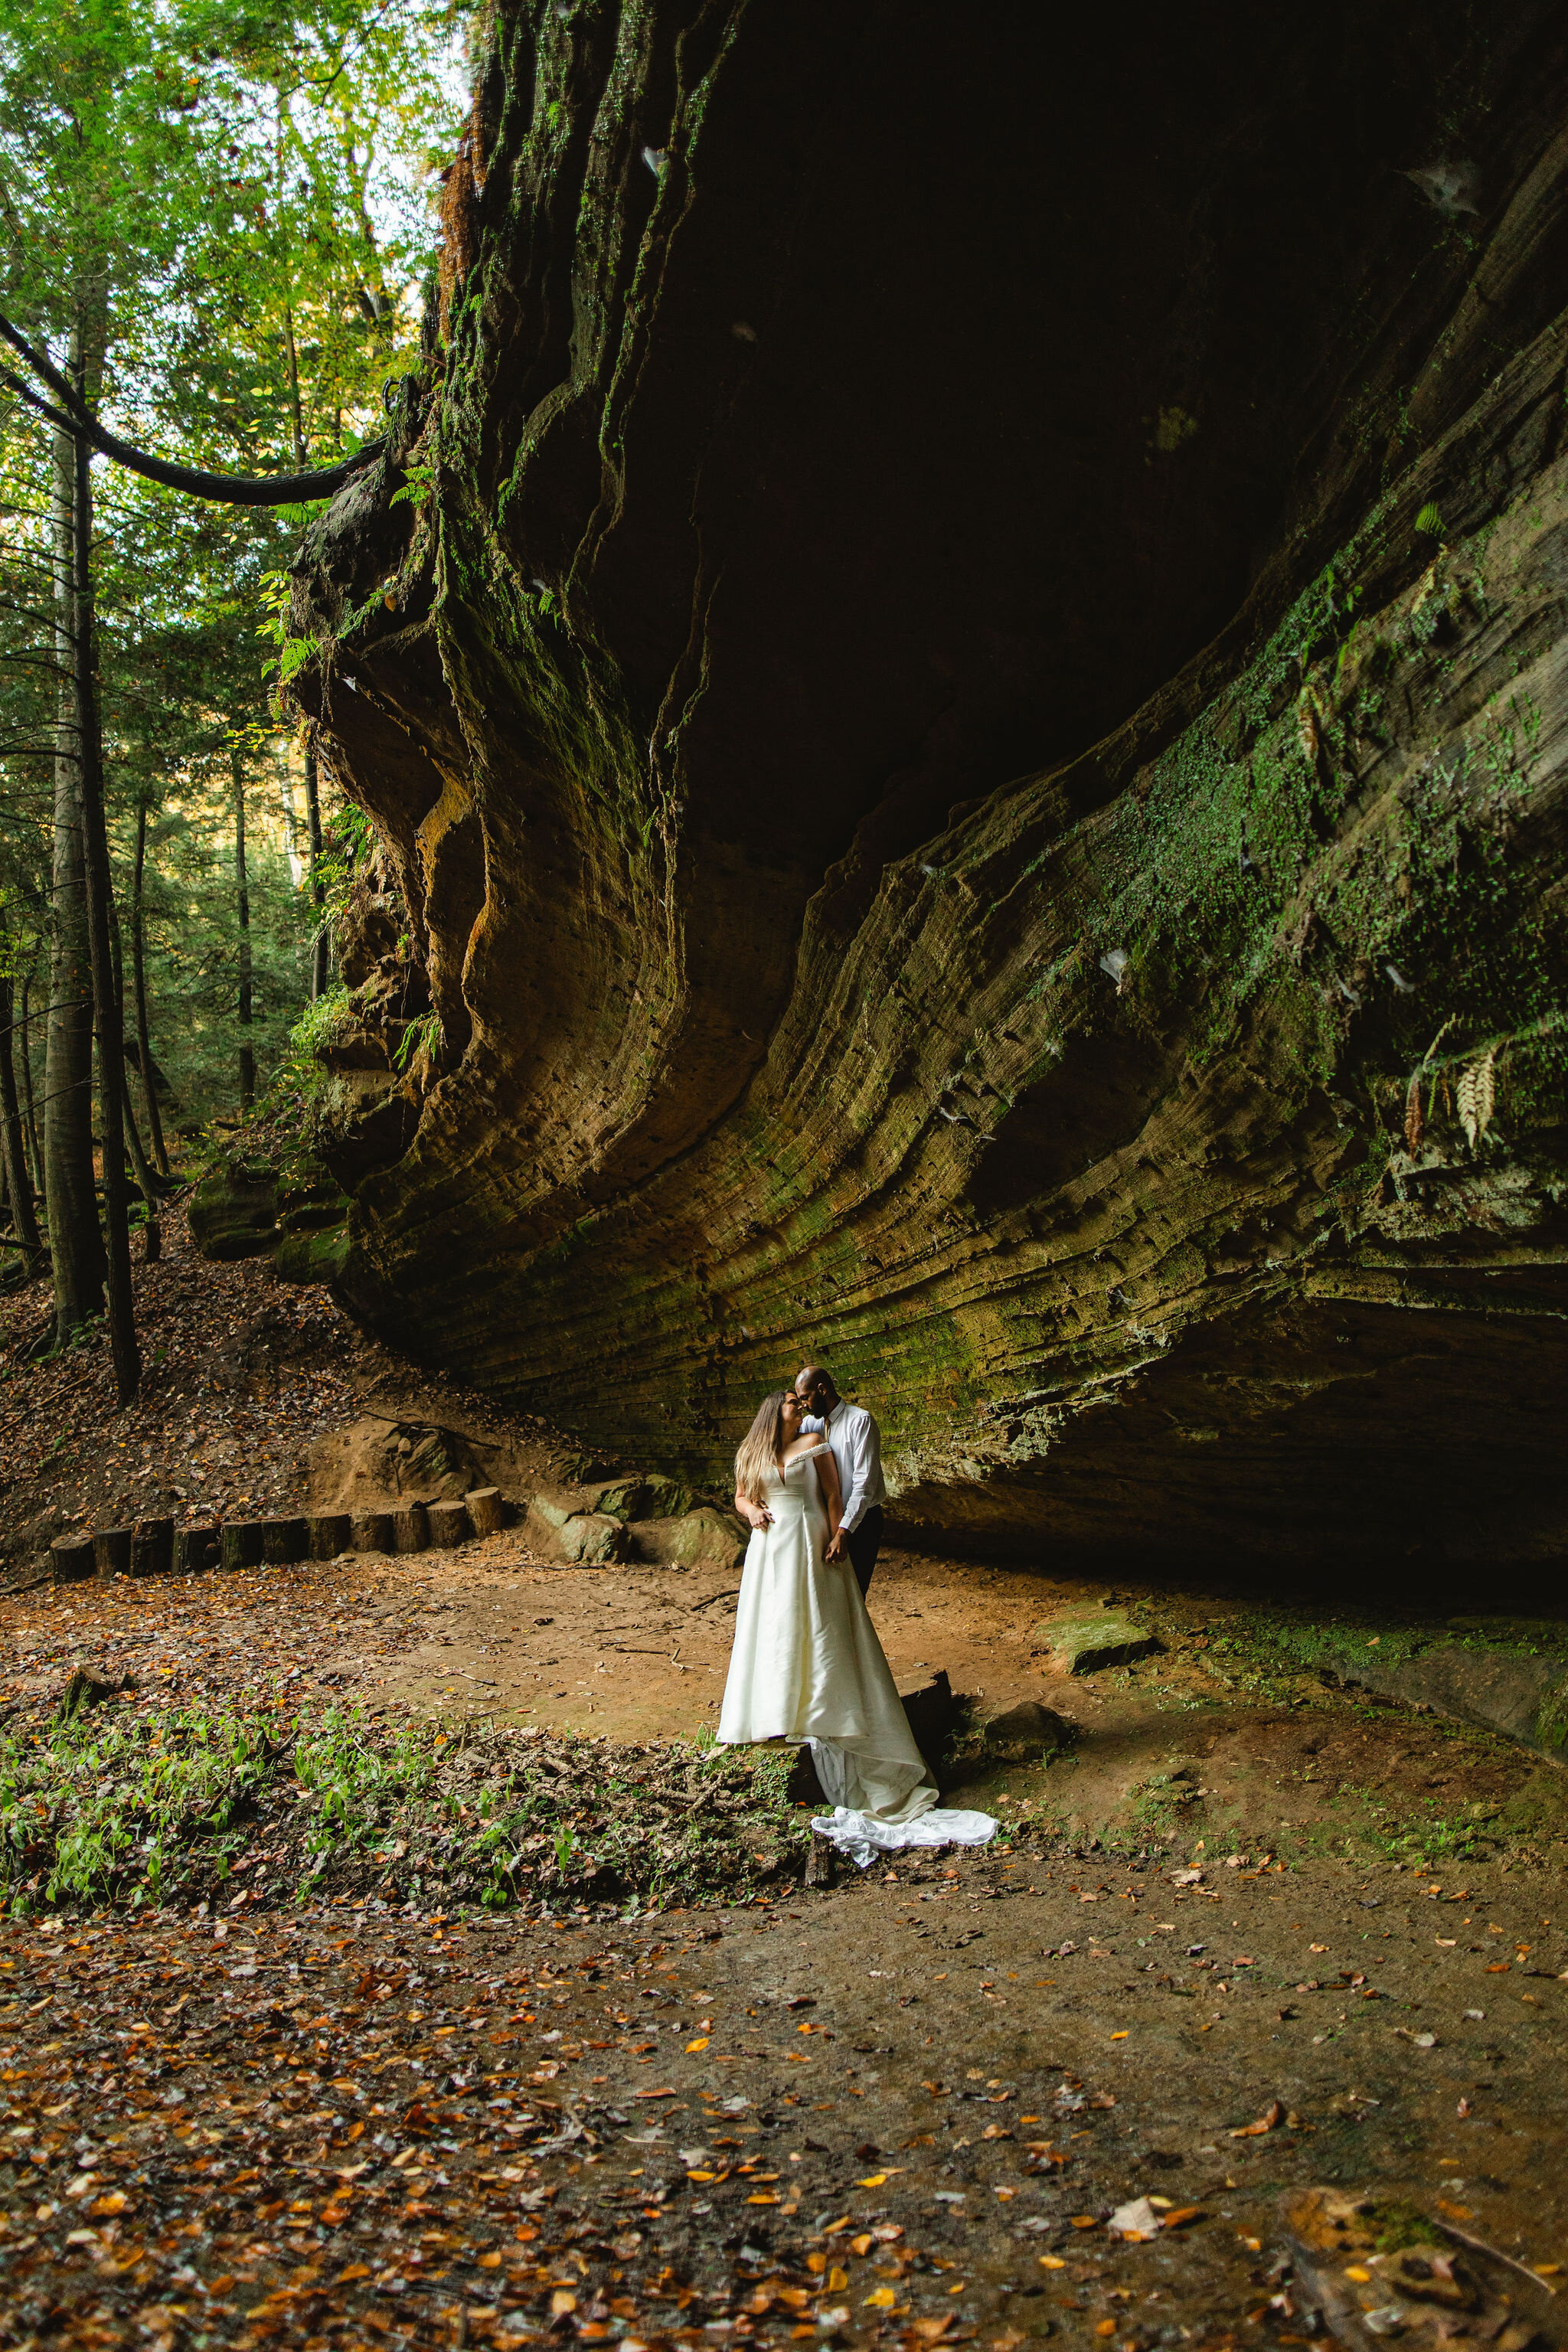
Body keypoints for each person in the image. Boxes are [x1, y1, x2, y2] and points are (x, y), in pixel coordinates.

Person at [718, 1388, 995, 1867]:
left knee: (822, 1628)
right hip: (770, 1550)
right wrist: (752, 1512)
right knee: (775, 1628)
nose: (800, 1407)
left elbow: (832, 1496)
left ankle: (827, 1705)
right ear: (771, 1410)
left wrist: (839, 1536)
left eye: (801, 1401)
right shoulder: (752, 1451)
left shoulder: (815, 1445)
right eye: (791, 1402)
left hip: (812, 1543)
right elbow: (742, 1496)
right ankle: (775, 1711)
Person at [794, 1363, 884, 1596]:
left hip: (862, 1522)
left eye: (805, 1397)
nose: (802, 1405)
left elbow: (864, 1484)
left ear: (822, 1389)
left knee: (855, 1592)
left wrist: (844, 1531)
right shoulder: (809, 1425)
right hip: (826, 1521)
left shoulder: (860, 1422)